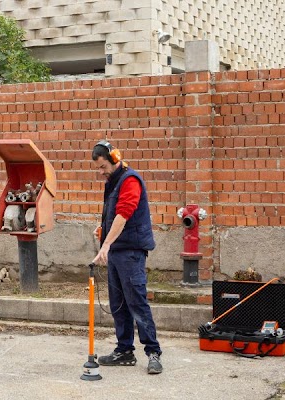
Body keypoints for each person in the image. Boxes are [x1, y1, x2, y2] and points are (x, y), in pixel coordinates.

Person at [90, 139, 162, 375]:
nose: (101, 172)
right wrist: (103, 231)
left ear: (114, 159)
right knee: (118, 303)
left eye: (102, 167)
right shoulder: (113, 181)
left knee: (136, 303)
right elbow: (114, 217)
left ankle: (153, 353)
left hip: (130, 251)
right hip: (118, 250)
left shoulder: (130, 180)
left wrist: (106, 245)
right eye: (98, 169)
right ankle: (124, 350)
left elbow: (124, 214)